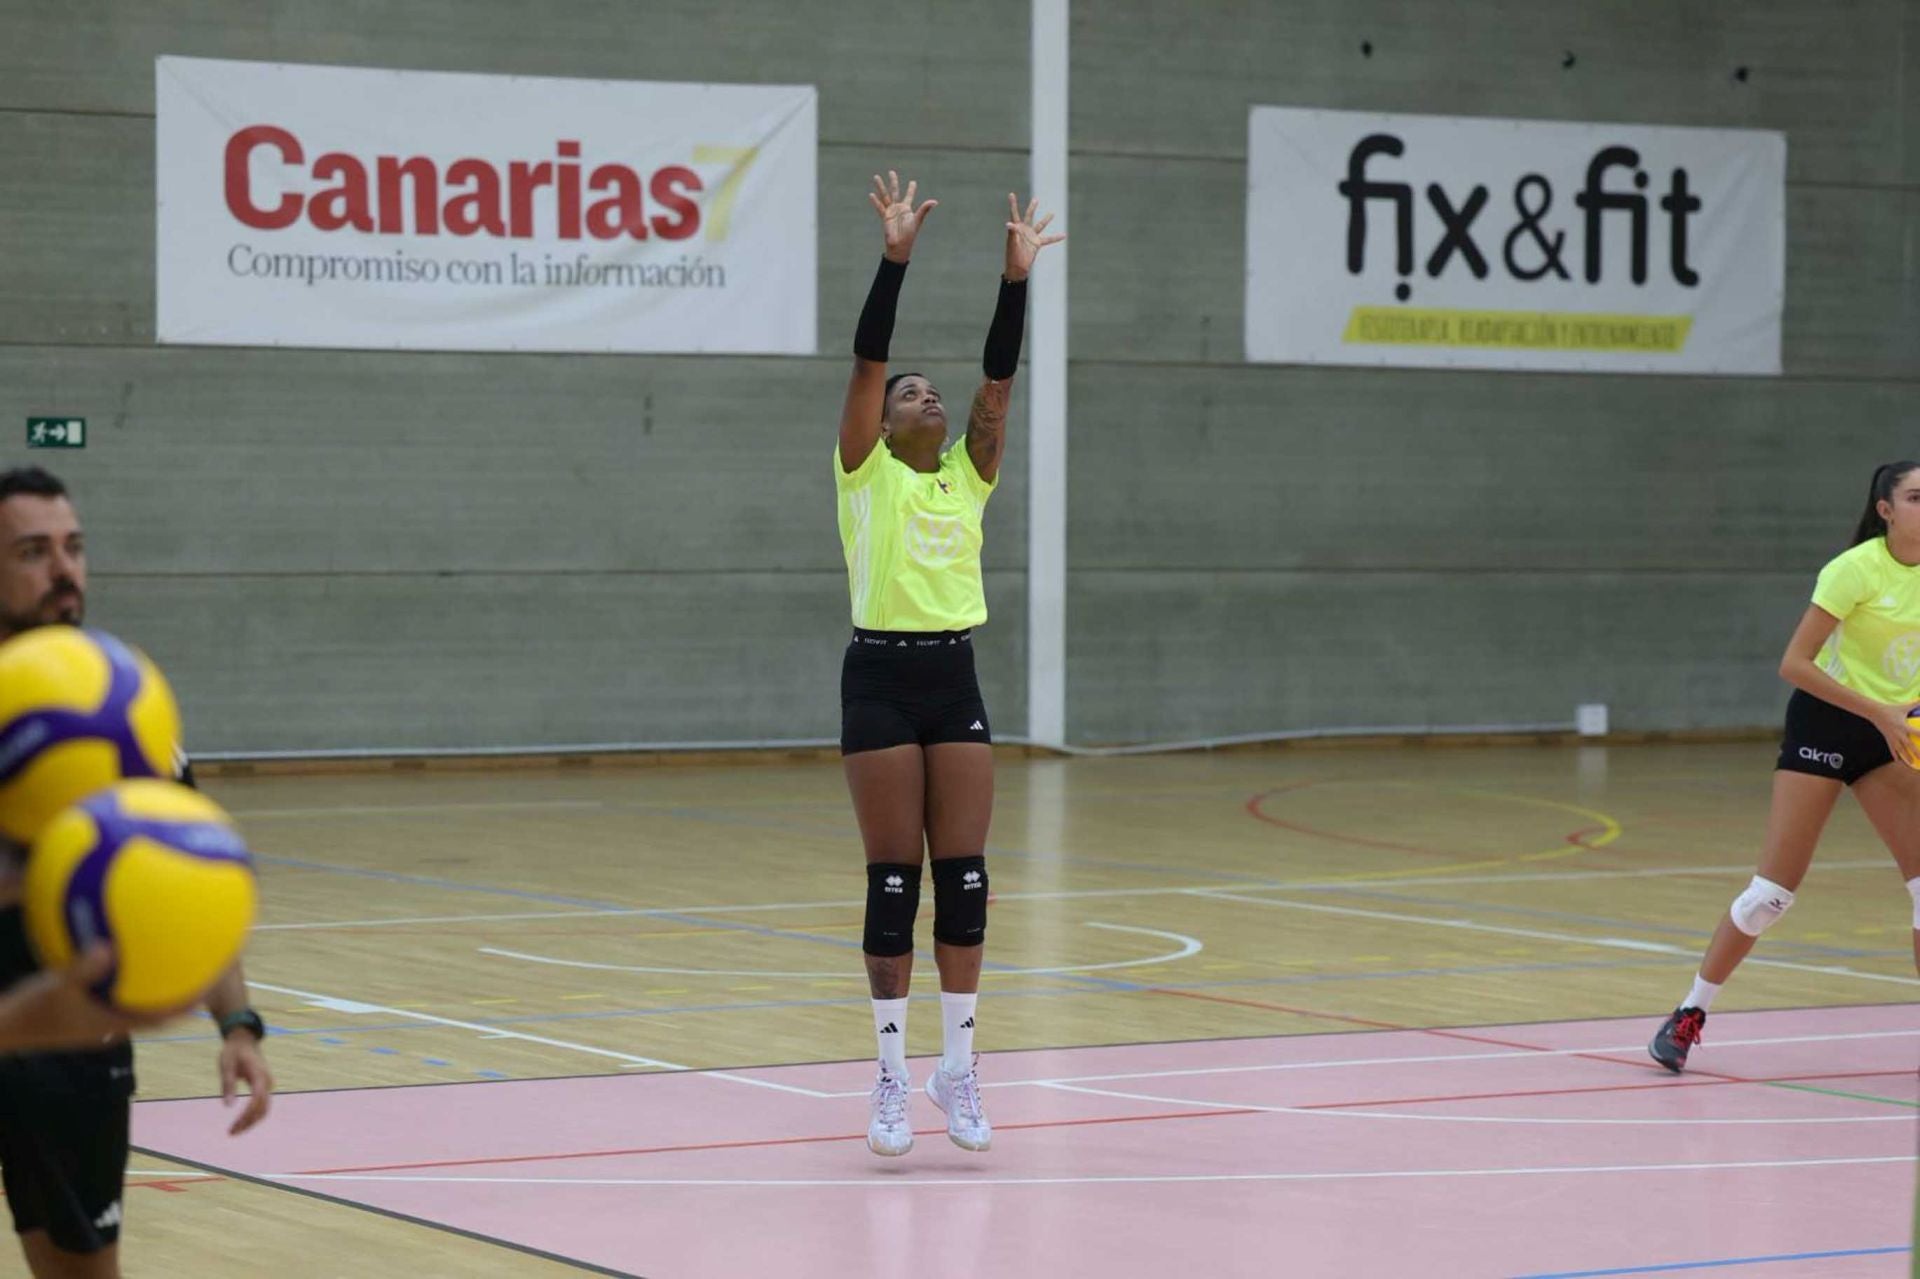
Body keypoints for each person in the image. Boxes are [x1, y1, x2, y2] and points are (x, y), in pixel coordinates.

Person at [0, 466, 274, 1278]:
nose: (64, 571)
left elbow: (191, 872)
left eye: (74, 548)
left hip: (75, 1044)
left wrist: (238, 1024)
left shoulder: (120, 710)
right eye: (33, 551)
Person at [835, 173, 1061, 1156]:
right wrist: (896, 259)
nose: (922, 393)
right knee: (895, 883)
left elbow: (997, 383)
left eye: (931, 390)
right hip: (880, 679)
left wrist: (1016, 283)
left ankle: (957, 1072)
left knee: (963, 881)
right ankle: (889, 1081)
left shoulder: (969, 474)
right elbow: (868, 356)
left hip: (952, 676)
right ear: (883, 425)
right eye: (907, 394)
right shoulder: (865, 472)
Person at [1650, 461, 1920, 1072]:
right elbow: (1795, 664)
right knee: (1770, 896)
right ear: (1885, 509)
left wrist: (1895, 715)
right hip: (1828, 722)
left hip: (1893, 729)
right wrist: (1877, 711)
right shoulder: (1853, 570)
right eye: (1916, 497)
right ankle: (1690, 1012)